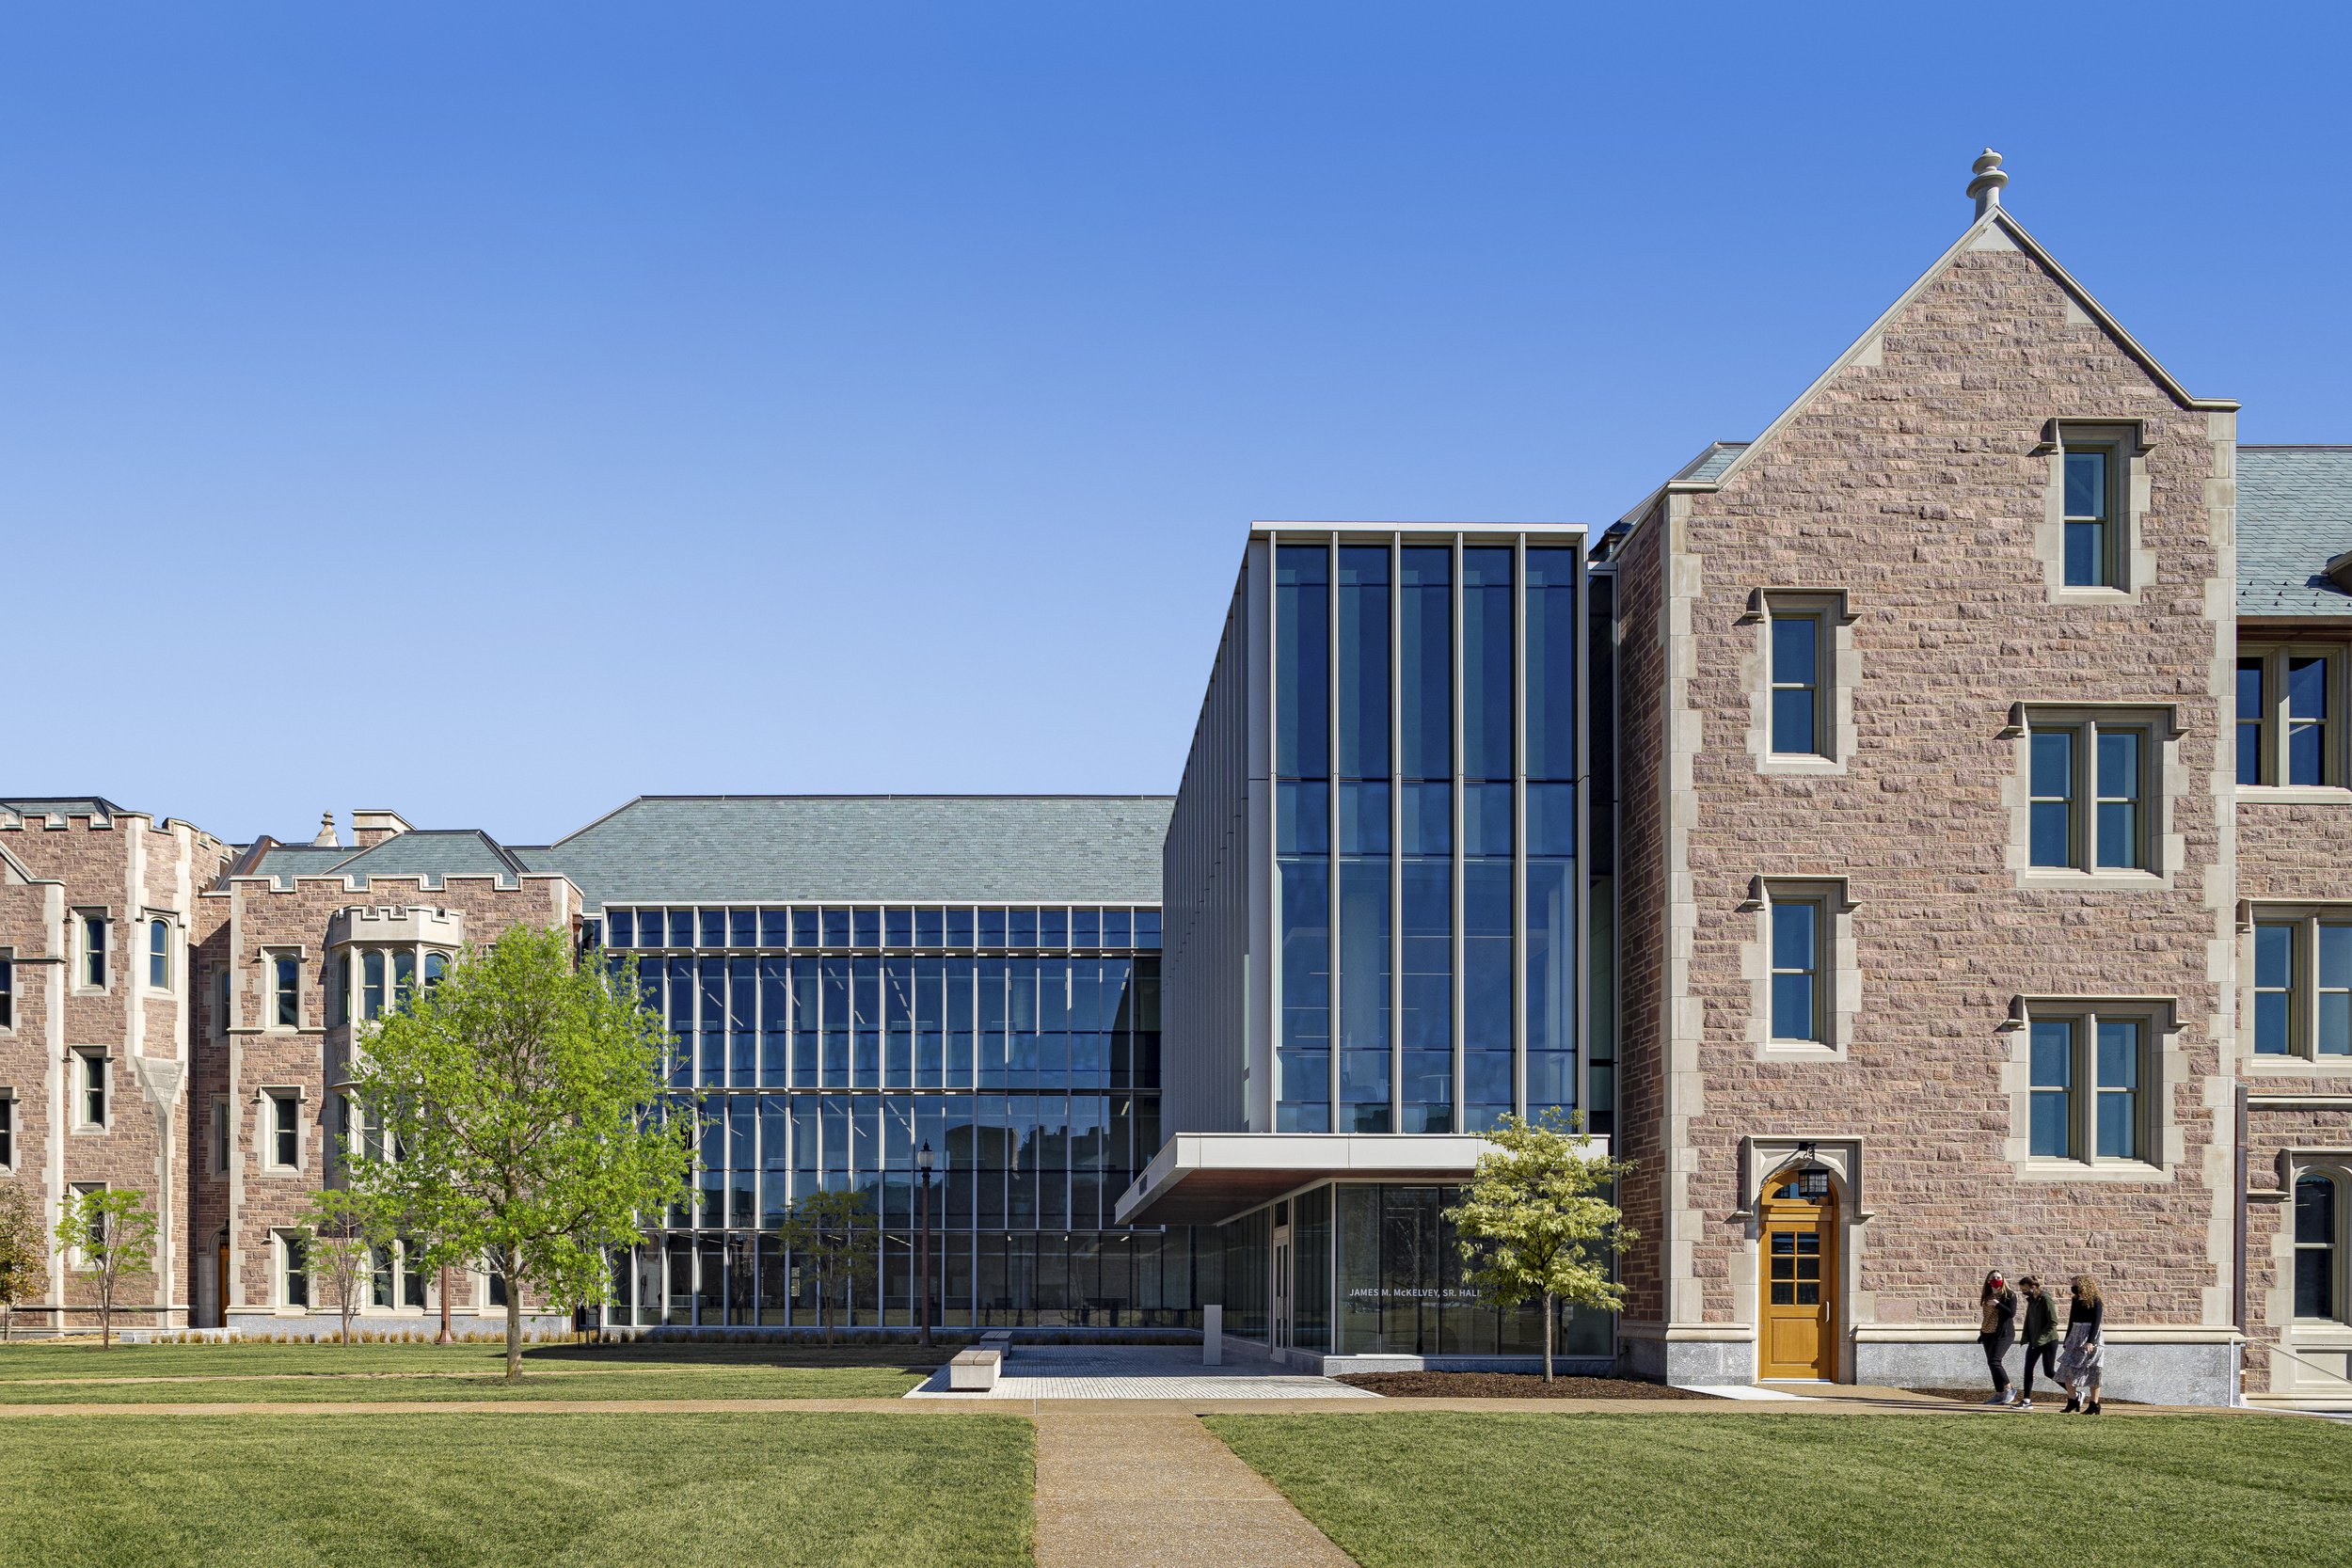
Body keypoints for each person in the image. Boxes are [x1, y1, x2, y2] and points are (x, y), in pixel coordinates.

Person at [2056, 1275, 2105, 1414]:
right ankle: (2072, 1400)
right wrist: (2067, 1339)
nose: (2074, 1288)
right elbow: (2071, 1319)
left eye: (2076, 1285)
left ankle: (2094, 1404)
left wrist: (2091, 1341)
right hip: (2075, 1335)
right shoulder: (2075, 1299)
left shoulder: (2096, 1300)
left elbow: (2096, 1322)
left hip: (2090, 1336)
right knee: (2067, 1369)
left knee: (2093, 1370)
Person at [2014, 1275, 2061, 1409]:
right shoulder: (2032, 1301)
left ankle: (2074, 1392)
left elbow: (2053, 1321)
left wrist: (2041, 1337)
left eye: (2025, 1290)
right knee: (2028, 1369)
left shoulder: (2045, 1298)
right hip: (2035, 1341)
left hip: (2048, 1340)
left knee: (2049, 1371)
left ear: (2033, 1287)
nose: (2024, 1293)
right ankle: (2027, 1400)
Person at [1978, 1270, 2018, 1405]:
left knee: (1995, 1361)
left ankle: (2009, 1388)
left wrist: (1998, 1304)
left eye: (1998, 1277)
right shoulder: (1987, 1296)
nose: (1996, 1279)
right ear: (1988, 1281)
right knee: (1991, 1363)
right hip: (1987, 1333)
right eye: (1993, 1278)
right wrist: (1982, 1333)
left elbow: (2011, 1313)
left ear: (2003, 1279)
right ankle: (1999, 1394)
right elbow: (1987, 1317)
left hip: (2003, 1334)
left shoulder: (2009, 1295)